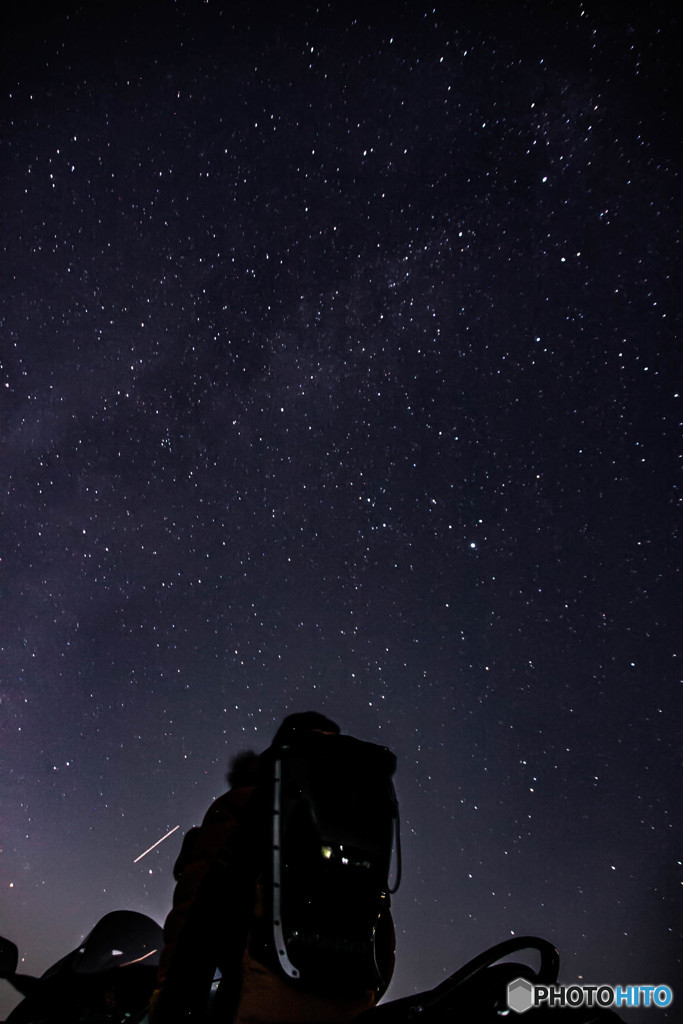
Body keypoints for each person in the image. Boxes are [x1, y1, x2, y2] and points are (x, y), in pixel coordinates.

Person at [149, 712, 395, 1024]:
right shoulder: (362, 822)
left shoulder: (248, 801)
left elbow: (196, 916)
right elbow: (383, 948)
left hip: (254, 1002)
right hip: (348, 1011)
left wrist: (172, 1010)